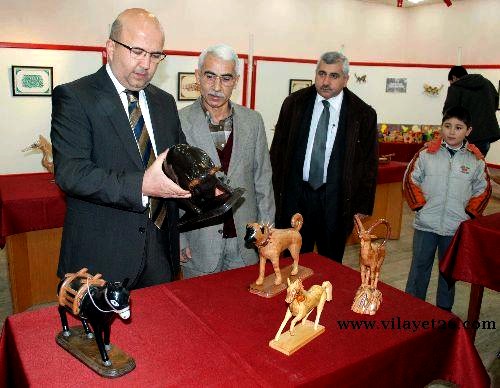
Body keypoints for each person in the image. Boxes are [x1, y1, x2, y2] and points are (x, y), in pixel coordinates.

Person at [51, 8, 190, 288]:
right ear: (110, 48)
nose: (146, 64)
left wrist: (205, 184)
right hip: (101, 258)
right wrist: (142, 185)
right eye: (137, 51)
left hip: (160, 252)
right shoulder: (75, 96)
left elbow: (178, 159)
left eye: (155, 55)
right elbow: (71, 173)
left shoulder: (164, 102)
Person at [270, 51, 378, 263]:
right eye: (322, 74)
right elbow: (278, 153)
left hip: (336, 200)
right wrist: (273, 196)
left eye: (334, 76)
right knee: (292, 262)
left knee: (331, 263)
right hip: (297, 197)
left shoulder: (362, 114)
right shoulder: (294, 104)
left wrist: (363, 206)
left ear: (346, 79)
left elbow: (369, 164)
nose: (326, 81)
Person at [178, 44, 275, 278]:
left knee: (245, 310)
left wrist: (265, 232)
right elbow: (172, 189)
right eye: (210, 76)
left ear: (236, 81)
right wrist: (178, 239)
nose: (217, 87)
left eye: (226, 78)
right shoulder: (178, 121)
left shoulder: (253, 122)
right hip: (198, 244)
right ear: (198, 76)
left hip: (245, 243)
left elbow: (263, 181)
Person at [403, 106, 491, 311]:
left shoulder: (475, 160)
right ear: (441, 127)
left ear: (468, 131)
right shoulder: (426, 154)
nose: (452, 131)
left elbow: (483, 189)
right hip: (426, 224)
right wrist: (420, 207)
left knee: (448, 271)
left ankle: (444, 310)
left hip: (455, 228)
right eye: (447, 125)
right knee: (419, 268)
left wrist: (469, 214)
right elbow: (410, 180)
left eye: (458, 127)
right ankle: (412, 307)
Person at [443, 65, 500, 157]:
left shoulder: (456, 87)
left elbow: (448, 113)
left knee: (461, 167)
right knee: (478, 166)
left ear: (454, 77)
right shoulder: (487, 84)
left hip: (467, 136)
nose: (451, 84)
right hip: (487, 135)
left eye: (450, 82)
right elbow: (496, 104)